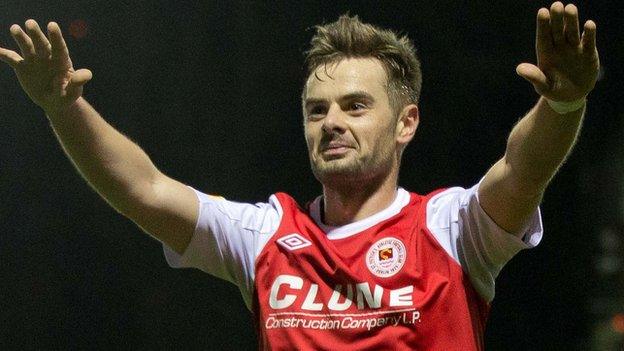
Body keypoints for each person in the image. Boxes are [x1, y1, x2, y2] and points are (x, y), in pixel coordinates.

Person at [0, 2, 599, 350]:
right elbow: (142, 189)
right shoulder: (265, 235)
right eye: (318, 110)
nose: (332, 122)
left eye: (356, 106)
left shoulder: (451, 227)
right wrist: (63, 107)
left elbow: (523, 170)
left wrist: (564, 105)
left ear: (406, 122)